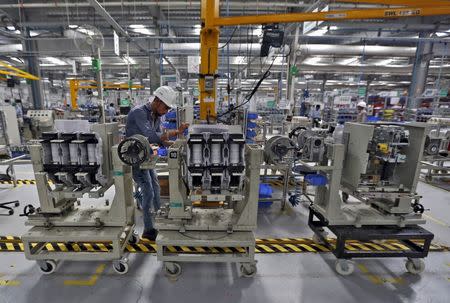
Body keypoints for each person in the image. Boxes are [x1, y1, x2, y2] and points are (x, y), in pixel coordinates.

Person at [125, 86, 189, 240]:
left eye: (168, 108)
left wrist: (178, 144)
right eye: (165, 107)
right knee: (149, 191)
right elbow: (151, 136)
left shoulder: (156, 116)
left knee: (155, 186)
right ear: (157, 101)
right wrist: (177, 132)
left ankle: (160, 219)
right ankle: (148, 229)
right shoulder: (139, 113)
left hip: (146, 157)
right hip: (135, 158)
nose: (167, 111)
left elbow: (162, 139)